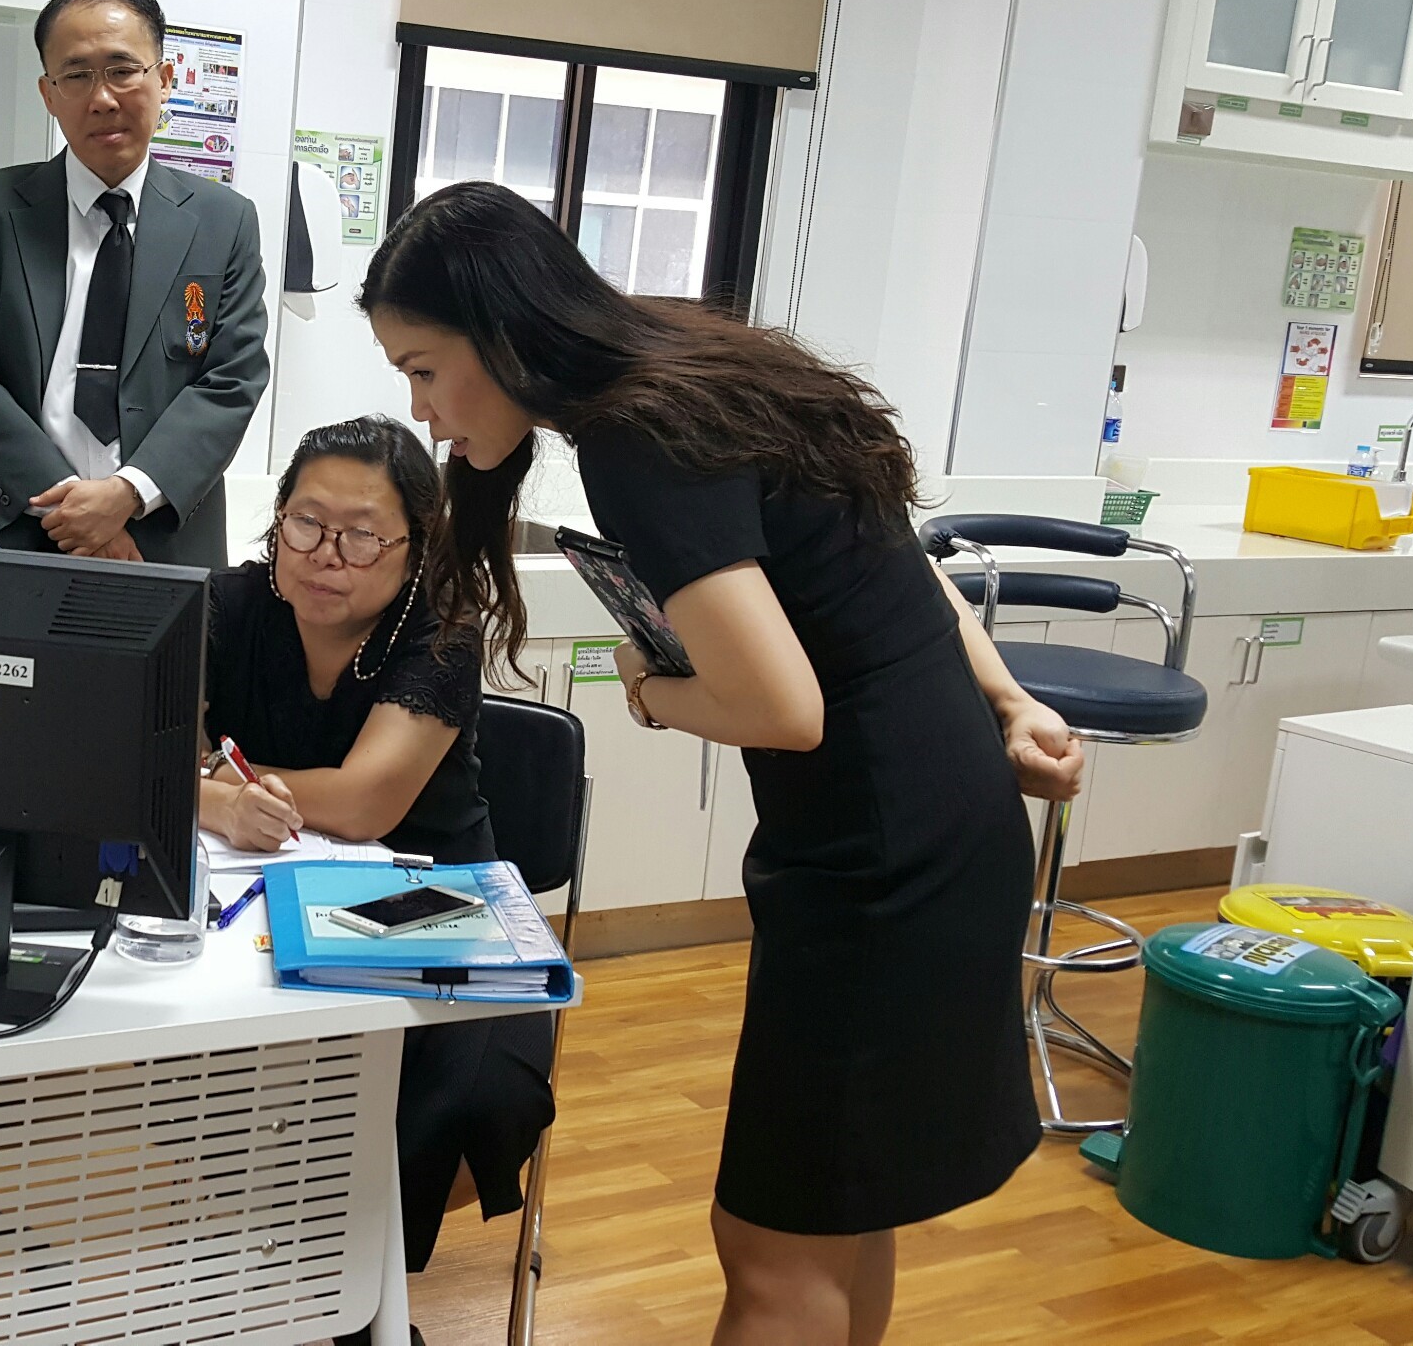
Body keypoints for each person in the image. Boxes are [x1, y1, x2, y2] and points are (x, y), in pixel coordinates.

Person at [361, 182, 1086, 1346]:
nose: (422, 409)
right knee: (840, 1209)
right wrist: (1003, 697)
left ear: (499, 334)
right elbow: (892, 558)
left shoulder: (634, 437)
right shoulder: (693, 364)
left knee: (770, 1242)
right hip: (941, 813)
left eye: (423, 368)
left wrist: (650, 689)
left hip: (876, 857)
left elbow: (779, 707)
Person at [196, 415, 554, 1292]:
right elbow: (134, 754)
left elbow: (364, 803)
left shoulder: (440, 631)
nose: (327, 555)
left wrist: (212, 779)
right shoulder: (224, 605)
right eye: (306, 523)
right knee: (213, 1069)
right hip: (262, 901)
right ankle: (305, 1290)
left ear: (413, 547)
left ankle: (354, 1295)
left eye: (361, 535)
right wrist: (220, 800)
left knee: (475, 1099)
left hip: (439, 900)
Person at [0, 0, 270, 568]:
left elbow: (233, 376)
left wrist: (127, 494)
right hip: (12, 534)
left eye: (123, 70)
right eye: (77, 76)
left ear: (165, 79)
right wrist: (74, 514)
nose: (103, 98)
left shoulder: (223, 222)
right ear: (48, 94)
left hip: (162, 540)